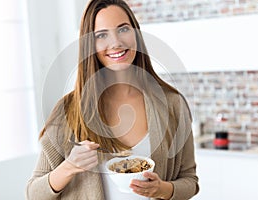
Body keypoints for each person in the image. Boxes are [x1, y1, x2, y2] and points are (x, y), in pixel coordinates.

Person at [26, 0, 199, 199]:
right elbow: (33, 194)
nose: (115, 42)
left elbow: (189, 181)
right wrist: (68, 167)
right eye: (102, 35)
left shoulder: (173, 104)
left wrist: (163, 189)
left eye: (123, 29)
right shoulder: (68, 110)